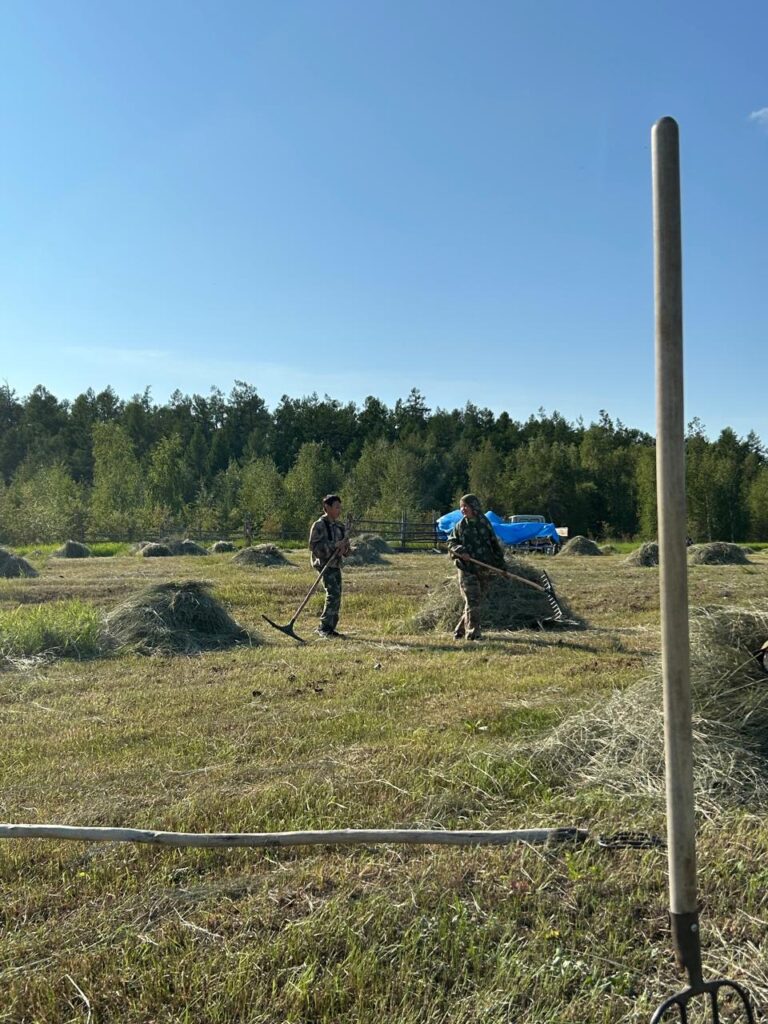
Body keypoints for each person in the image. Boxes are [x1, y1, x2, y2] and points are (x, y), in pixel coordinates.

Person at [447, 493, 506, 641]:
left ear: (474, 507)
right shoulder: (460, 526)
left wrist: (501, 566)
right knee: (472, 599)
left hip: (484, 568)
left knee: (476, 602)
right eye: (461, 507)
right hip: (466, 568)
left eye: (466, 506)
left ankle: (459, 630)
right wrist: (461, 551)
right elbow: (451, 543)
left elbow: (494, 544)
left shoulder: (484, 523)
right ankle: (473, 633)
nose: (463, 509)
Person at [308, 494, 350, 638]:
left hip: (335, 564)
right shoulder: (319, 525)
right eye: (336, 507)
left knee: (337, 595)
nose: (339, 510)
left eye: (340, 507)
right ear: (327, 507)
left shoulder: (340, 527)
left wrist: (345, 549)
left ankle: (330, 627)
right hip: (324, 564)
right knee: (333, 594)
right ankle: (324, 628)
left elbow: (346, 549)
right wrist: (334, 545)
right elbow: (313, 547)